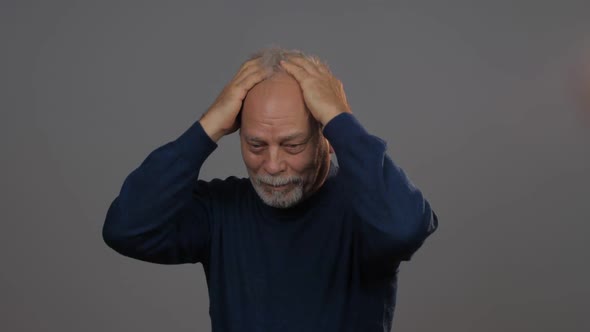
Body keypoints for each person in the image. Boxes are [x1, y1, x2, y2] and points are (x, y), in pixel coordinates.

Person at [102, 47, 439, 332]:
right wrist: (207, 126)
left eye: (292, 145)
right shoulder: (220, 211)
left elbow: (406, 226)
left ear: (327, 138)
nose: (273, 165)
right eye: (256, 145)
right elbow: (126, 227)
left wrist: (340, 119)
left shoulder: (366, 207)